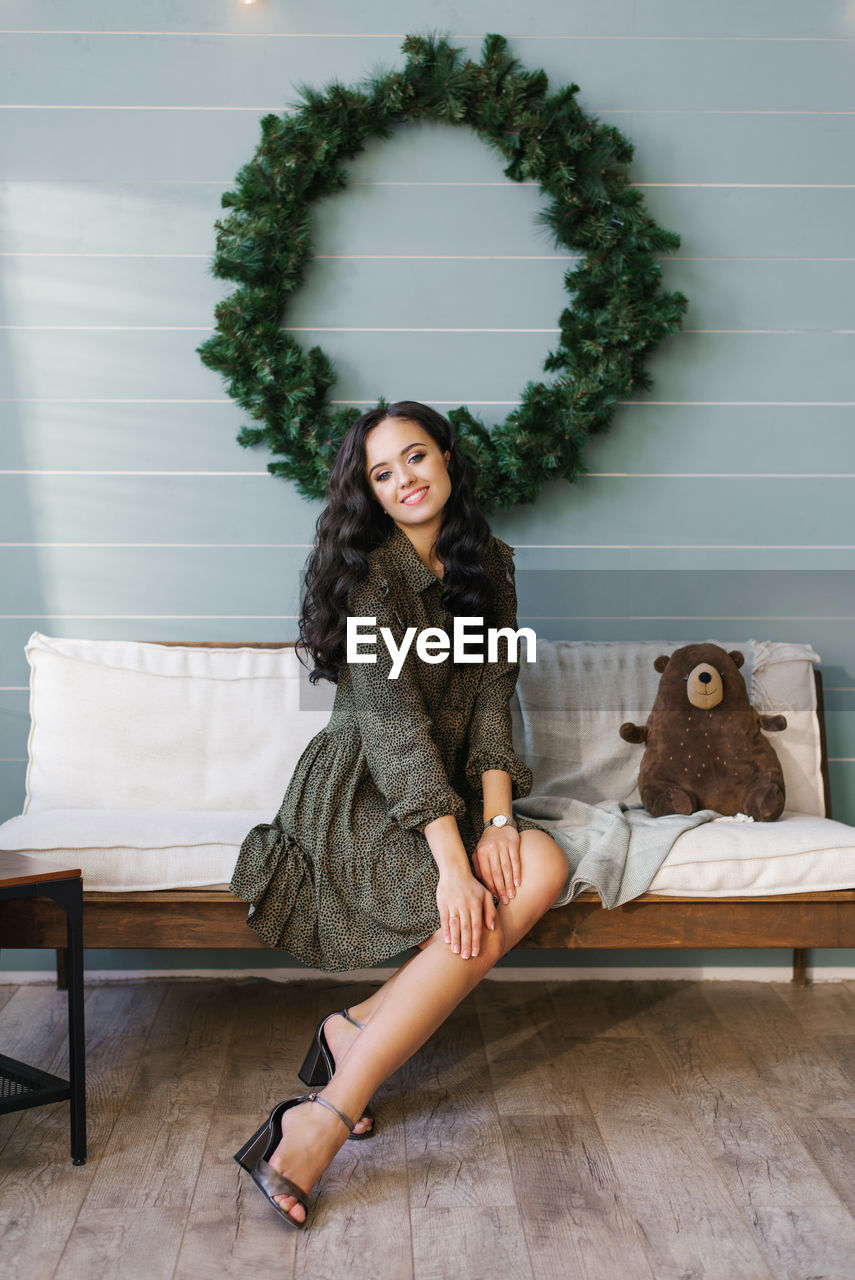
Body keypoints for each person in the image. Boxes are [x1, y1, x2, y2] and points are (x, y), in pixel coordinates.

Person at [230, 400, 569, 1227]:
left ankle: (351, 1036)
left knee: (540, 865)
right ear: (369, 493)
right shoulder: (369, 577)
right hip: (359, 791)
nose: (404, 481)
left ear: (448, 458)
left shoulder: (490, 560)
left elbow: (493, 694)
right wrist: (454, 866)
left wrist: (497, 823)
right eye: (382, 473)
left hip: (448, 791)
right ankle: (327, 1114)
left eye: (415, 459)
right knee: (478, 903)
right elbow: (393, 731)